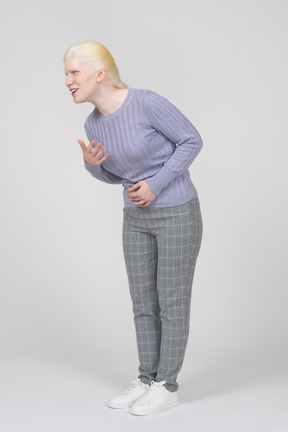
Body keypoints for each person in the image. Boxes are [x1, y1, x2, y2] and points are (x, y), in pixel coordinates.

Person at [64, 40, 203, 416]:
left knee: (171, 303)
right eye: (66, 74)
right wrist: (93, 165)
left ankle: (167, 385)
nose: (67, 81)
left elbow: (191, 140)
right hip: (135, 218)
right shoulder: (92, 123)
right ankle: (146, 379)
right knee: (143, 303)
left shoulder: (146, 102)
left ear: (99, 73)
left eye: (73, 72)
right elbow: (115, 176)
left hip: (176, 212)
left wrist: (156, 184)